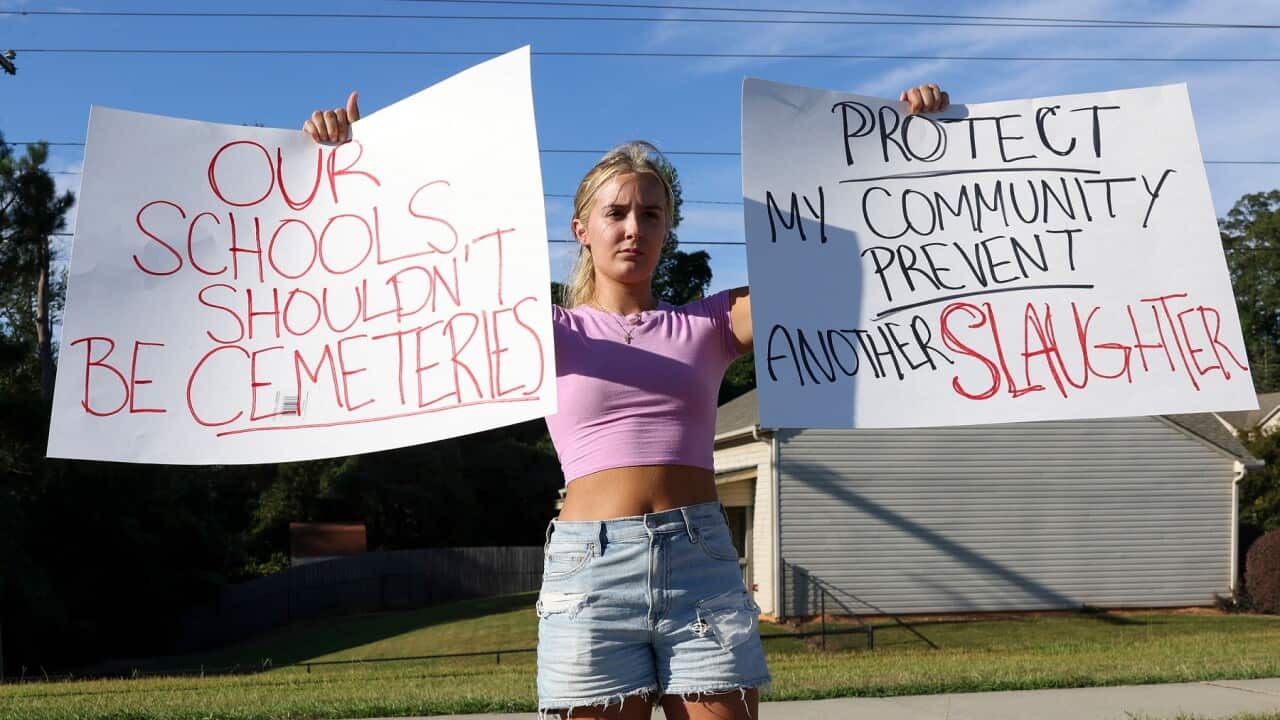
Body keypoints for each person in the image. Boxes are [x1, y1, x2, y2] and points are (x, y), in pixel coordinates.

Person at [305, 82, 949, 720]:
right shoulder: (544, 331)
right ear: (582, 228)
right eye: (616, 214)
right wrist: (354, 164)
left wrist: (891, 144)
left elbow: (822, 270)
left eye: (650, 214)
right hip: (591, 569)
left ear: (667, 229)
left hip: (701, 563)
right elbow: (422, 274)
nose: (633, 228)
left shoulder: (711, 324)